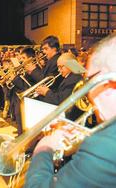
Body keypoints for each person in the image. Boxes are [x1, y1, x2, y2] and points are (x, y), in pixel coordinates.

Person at [25, 34, 116, 187]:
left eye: (89, 81)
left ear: (107, 84)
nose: (88, 91)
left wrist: (44, 147)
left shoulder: (103, 146)